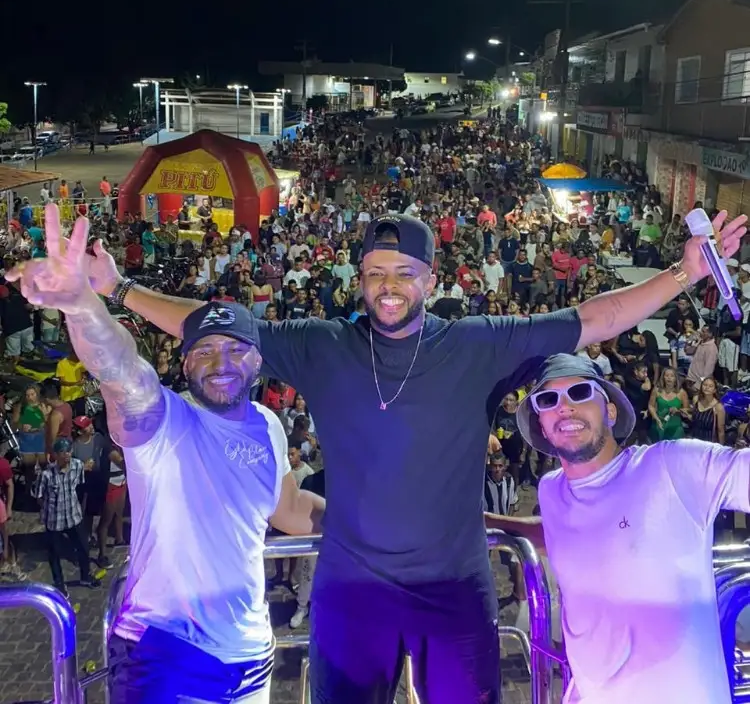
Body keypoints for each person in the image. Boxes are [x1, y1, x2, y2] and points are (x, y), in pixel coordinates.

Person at [38, 204, 745, 704]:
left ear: (430, 280)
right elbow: (217, 330)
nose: (388, 286)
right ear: (360, 279)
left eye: (404, 272)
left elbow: (592, 319)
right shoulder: (324, 346)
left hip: (455, 589)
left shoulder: (476, 343)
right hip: (351, 590)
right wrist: (117, 290)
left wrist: (682, 274)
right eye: (375, 272)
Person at [7, 207, 324, 704]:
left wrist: (380, 528)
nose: (220, 364)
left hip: (251, 657)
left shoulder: (268, 425)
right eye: (204, 351)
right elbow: (121, 372)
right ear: (184, 361)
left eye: (235, 350)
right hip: (167, 658)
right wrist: (83, 306)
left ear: (259, 360)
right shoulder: (163, 422)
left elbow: (290, 509)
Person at [495, 351, 750, 704]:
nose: (564, 407)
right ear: (541, 424)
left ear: (610, 411)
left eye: (580, 393)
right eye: (548, 399)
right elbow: (566, 535)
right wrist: (484, 522)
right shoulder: (552, 491)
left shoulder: (672, 467)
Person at [37, 437, 100, 597]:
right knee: (54, 554)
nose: (67, 455)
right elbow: (38, 495)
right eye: (62, 452)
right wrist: (47, 509)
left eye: (69, 451)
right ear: (55, 455)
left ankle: (86, 577)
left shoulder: (77, 466)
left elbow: (78, 486)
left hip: (73, 516)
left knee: (83, 548)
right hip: (54, 521)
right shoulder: (46, 475)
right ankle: (59, 584)